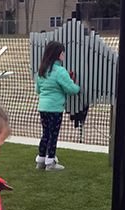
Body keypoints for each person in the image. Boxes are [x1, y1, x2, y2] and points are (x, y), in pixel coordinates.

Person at [35, 41, 80, 171]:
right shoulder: (60, 71)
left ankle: (41, 161)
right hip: (55, 109)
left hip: (43, 107)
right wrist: (78, 87)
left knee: (46, 134)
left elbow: (38, 90)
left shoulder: (42, 70)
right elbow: (71, 89)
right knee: (53, 135)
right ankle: (50, 163)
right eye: (63, 53)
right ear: (59, 54)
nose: (64, 55)